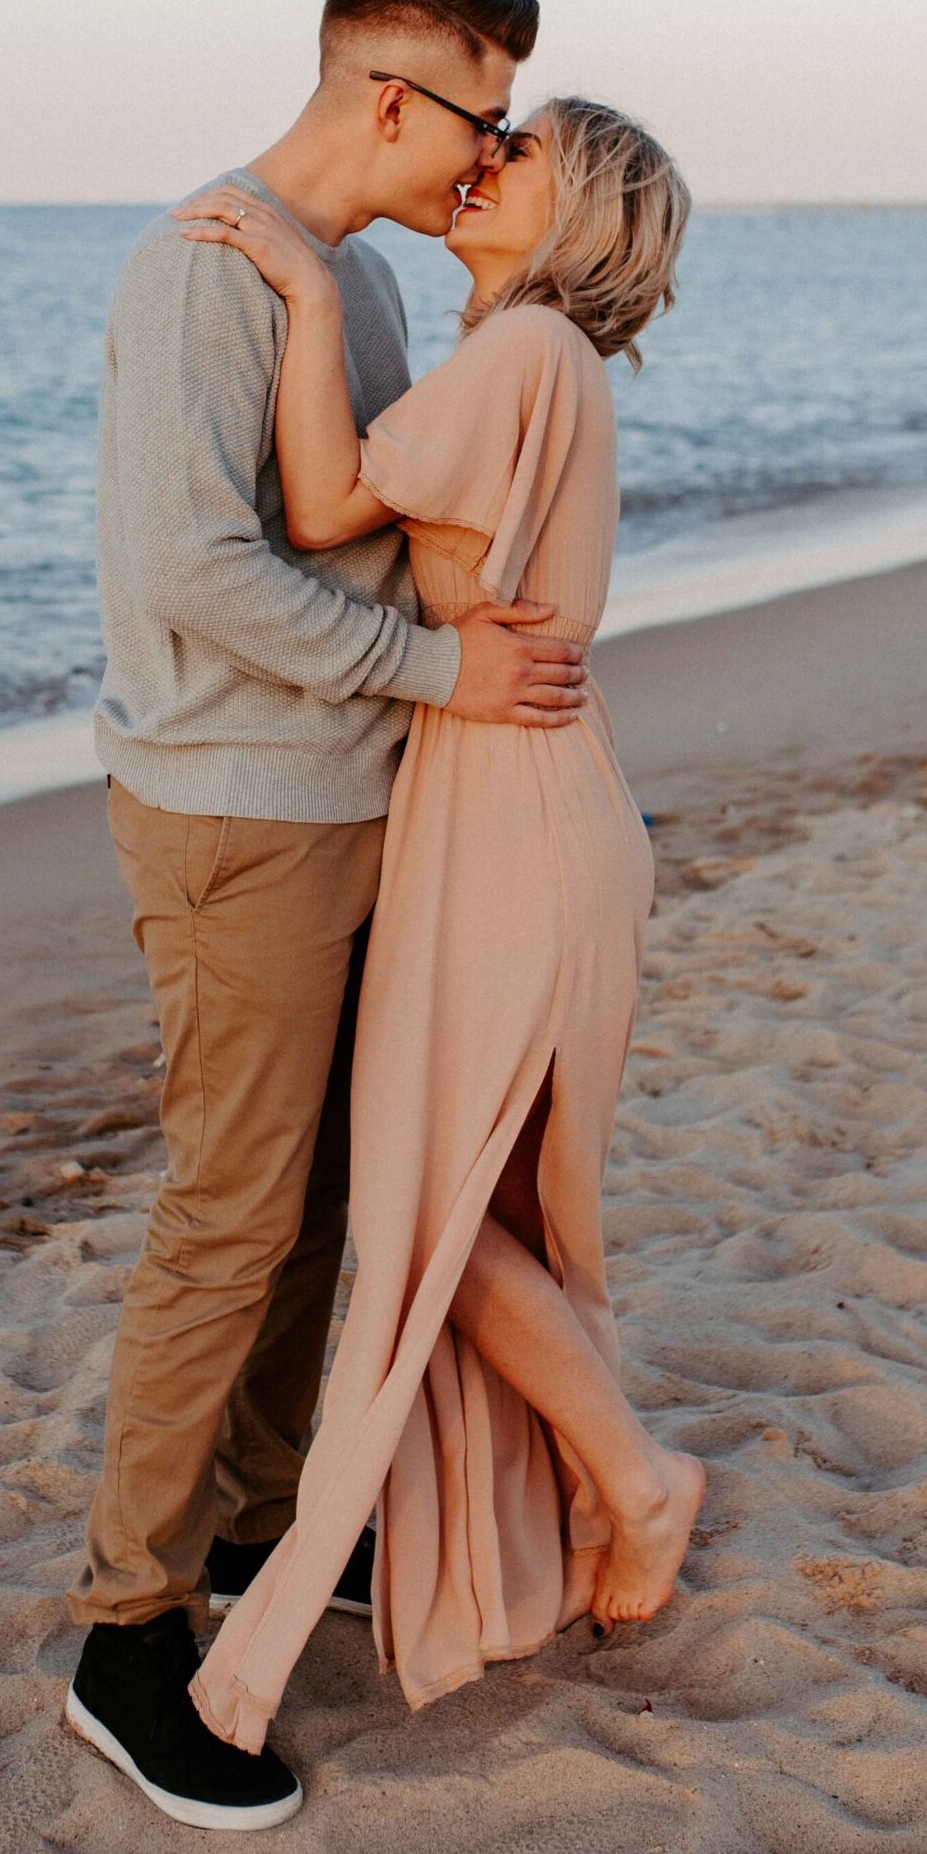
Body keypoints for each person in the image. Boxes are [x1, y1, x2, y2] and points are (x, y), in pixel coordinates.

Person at [65, 0, 593, 1832]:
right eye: (484, 116)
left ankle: (269, 1522)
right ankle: (128, 1627)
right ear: (391, 99)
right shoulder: (198, 269)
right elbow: (206, 573)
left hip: (356, 799)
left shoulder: (350, 276)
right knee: (227, 1214)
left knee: (317, 1206)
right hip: (235, 815)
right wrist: (447, 674)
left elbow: (349, 522)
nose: (492, 151)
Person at [172, 95, 707, 1763]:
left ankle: (632, 1474)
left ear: (575, 214)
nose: (489, 159)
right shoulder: (533, 361)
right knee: (474, 1188)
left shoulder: (527, 350)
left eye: (524, 148)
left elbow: (323, 510)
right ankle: (584, 1497)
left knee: (426, 1185)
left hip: (512, 813)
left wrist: (310, 285)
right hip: (523, 797)